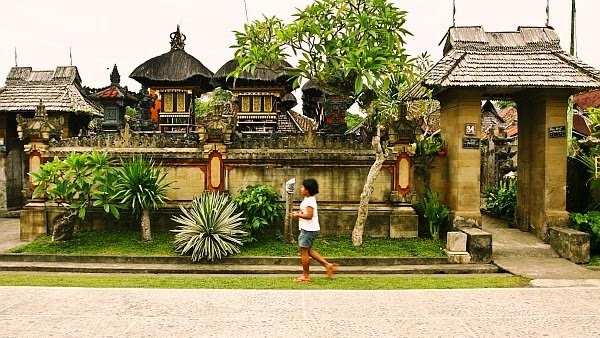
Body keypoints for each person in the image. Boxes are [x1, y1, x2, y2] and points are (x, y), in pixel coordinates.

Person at [291, 178, 338, 282]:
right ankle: (328, 265)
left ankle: (306, 276)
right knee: (308, 251)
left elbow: (309, 215)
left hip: (308, 230)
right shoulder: (308, 200)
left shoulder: (309, 201)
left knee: (304, 252)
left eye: (302, 187)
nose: (300, 189)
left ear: (307, 190)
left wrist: (297, 215)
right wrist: (299, 213)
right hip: (309, 229)